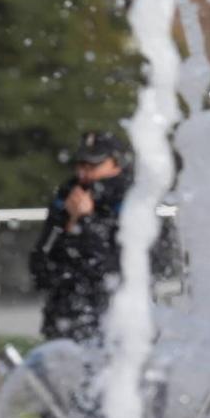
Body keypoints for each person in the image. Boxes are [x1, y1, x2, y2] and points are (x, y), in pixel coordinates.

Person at [29, 130, 132, 343]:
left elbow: (115, 264)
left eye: (93, 166)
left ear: (115, 164)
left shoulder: (131, 200)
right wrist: (71, 223)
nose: (84, 174)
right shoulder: (66, 198)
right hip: (65, 314)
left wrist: (87, 221)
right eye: (80, 165)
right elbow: (41, 264)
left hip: (112, 317)